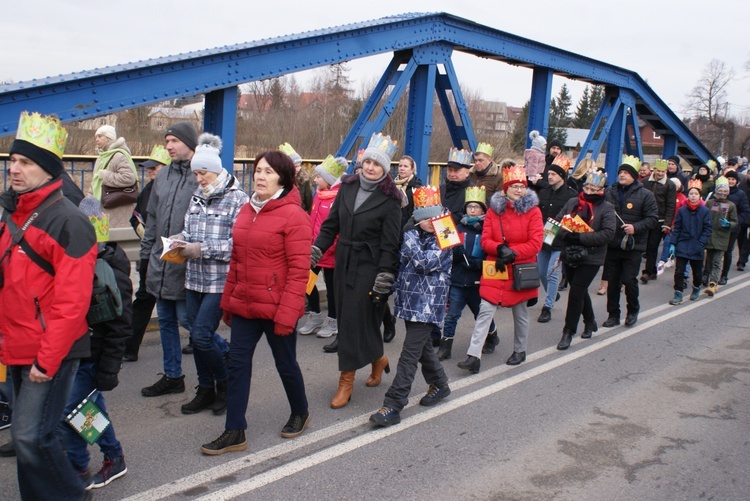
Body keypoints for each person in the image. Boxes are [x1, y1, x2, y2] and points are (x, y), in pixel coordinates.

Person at [0, 112, 97, 500]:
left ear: (47, 170)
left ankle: (74, 495)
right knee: (28, 444)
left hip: (50, 350)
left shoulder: (69, 221)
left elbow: (73, 303)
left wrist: (48, 359)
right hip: (17, 343)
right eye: (12, 160)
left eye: (25, 162)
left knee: (31, 436)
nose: (14, 168)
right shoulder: (12, 213)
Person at [201, 150, 311, 455]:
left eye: (268, 172)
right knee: (237, 366)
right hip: (246, 305)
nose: (260, 176)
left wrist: (288, 315)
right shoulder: (247, 211)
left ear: (284, 179)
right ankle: (234, 430)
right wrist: (228, 302)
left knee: (285, 364)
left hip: (277, 308)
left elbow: (299, 271)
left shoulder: (294, 216)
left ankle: (300, 411)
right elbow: (237, 262)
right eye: (258, 170)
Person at [313, 133, 402, 409]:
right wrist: (315, 252)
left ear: (385, 169)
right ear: (361, 161)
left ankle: (346, 381)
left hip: (369, 265)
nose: (371, 167)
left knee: (351, 321)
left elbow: (391, 243)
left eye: (378, 164)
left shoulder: (391, 200)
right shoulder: (348, 188)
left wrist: (385, 276)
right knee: (357, 320)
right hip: (344, 261)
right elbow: (331, 226)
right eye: (368, 161)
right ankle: (379, 359)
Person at [59, 196, 133, 490]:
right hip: (73, 351)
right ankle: (106, 458)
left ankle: (80, 465)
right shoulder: (74, 264)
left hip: (93, 355)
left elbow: (120, 328)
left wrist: (109, 370)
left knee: (72, 411)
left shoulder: (111, 273)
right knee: (84, 411)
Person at [171, 133, 247, 415]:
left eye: (202, 172)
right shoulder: (196, 197)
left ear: (215, 170)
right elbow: (191, 231)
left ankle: (225, 382)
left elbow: (238, 244)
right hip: (194, 278)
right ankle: (205, 389)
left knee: (202, 335)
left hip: (219, 280)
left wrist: (201, 248)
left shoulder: (237, 199)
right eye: (196, 173)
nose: (199, 178)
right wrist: (180, 239)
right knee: (195, 336)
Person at [370, 187, 452, 427]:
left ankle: (394, 404)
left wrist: (409, 236)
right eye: (422, 217)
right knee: (423, 348)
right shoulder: (415, 233)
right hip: (409, 301)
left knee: (409, 354)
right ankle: (441, 384)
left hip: (428, 305)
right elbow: (403, 267)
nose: (427, 222)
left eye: (432, 216)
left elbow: (422, 263)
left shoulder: (446, 233)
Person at [457, 164, 543, 373]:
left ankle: (520, 350)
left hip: (520, 268)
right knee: (485, 310)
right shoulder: (495, 212)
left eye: (521, 187)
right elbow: (485, 239)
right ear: (505, 188)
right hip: (496, 267)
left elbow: (536, 243)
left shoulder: (533, 212)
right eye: (514, 186)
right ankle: (473, 355)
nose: (518, 190)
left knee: (520, 312)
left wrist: (511, 252)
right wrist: (499, 248)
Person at [140, 121, 200, 397]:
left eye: (174, 140)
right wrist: (146, 252)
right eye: (167, 141)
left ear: (190, 143)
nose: (168, 146)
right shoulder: (162, 177)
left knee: (189, 321)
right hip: (161, 261)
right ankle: (173, 376)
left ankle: (222, 359)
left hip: (188, 264)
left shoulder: (202, 175)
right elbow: (152, 218)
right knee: (165, 320)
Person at [555, 171, 616, 350]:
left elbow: (607, 234)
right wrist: (565, 234)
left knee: (575, 293)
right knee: (579, 291)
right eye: (587, 187)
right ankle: (590, 321)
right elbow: (558, 222)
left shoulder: (606, 208)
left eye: (593, 189)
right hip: (570, 253)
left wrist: (581, 238)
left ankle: (568, 331)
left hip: (591, 257)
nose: (589, 191)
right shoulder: (573, 202)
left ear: (601, 190)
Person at [437, 184, 497, 362]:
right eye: (470, 206)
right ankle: (445, 346)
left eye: (476, 207)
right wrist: (454, 254)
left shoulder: (487, 229)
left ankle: (492, 336)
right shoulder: (457, 228)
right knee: (452, 315)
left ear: (482, 209)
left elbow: (491, 254)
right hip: (457, 279)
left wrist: (478, 264)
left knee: (481, 314)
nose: (472, 210)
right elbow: (446, 247)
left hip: (477, 281)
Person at [124, 145, 170, 361]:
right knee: (144, 299)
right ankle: (130, 347)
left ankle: (197, 341)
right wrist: (143, 231)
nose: (150, 171)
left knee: (179, 304)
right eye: (149, 168)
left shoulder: (172, 191)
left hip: (168, 256)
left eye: (155, 167)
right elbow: (135, 217)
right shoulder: (147, 191)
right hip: (150, 254)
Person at [602, 156, 658, 328]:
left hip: (633, 245)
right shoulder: (609, 192)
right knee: (612, 282)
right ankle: (613, 314)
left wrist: (636, 227)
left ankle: (632, 311)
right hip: (612, 244)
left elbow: (653, 218)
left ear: (634, 176)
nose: (622, 175)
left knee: (628, 280)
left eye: (626, 172)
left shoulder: (646, 195)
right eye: (620, 172)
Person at [298, 156, 347, 338]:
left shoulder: (339, 198)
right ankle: (315, 315)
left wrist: (329, 247)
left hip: (330, 251)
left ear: (329, 179)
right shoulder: (318, 195)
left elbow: (337, 227)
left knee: (332, 288)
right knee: (306, 282)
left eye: (319, 177)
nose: (315, 179)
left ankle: (332, 320)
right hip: (314, 249)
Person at [536, 156, 577, 323]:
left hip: (560, 241)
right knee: (541, 272)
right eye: (548, 174)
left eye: (553, 174)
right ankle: (553, 294)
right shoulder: (543, 192)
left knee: (552, 274)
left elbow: (573, 218)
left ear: (561, 175)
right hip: (543, 239)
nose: (549, 177)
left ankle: (547, 307)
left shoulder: (571, 195)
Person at [668, 180, 712, 304]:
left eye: (695, 194)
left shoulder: (705, 211)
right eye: (691, 194)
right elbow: (677, 228)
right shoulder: (682, 211)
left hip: (697, 245)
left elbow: (708, 229)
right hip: (683, 244)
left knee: (697, 271)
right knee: (679, 271)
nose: (693, 196)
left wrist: (701, 242)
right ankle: (678, 293)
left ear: (700, 196)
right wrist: (673, 243)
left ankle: (696, 288)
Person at [89, 124, 139, 229]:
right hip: (104, 208)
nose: (97, 140)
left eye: (100, 136)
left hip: (116, 208)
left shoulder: (118, 156)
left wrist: (106, 175)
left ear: (109, 138)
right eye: (96, 137)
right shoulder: (102, 157)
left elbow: (129, 178)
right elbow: (95, 183)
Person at [641, 159, 676, 284]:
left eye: (663, 171)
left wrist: (667, 223)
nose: (660, 173)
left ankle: (648, 272)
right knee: (643, 245)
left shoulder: (669, 185)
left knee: (652, 246)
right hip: (645, 218)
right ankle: (652, 272)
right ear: (653, 169)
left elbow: (671, 205)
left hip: (659, 220)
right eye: (658, 170)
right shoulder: (645, 182)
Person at [703, 177, 738, 296]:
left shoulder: (731, 205)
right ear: (716, 192)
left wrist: (729, 224)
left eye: (724, 192)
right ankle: (707, 277)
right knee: (709, 261)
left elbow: (735, 221)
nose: (722, 194)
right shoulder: (710, 203)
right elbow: (704, 217)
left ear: (727, 193)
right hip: (710, 236)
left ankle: (713, 285)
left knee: (717, 262)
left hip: (722, 237)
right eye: (720, 192)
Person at [718, 169, 750, 284]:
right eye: (729, 179)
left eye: (733, 179)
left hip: (732, 228)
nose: (730, 181)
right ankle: (708, 275)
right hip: (718, 227)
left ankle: (724, 275)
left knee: (727, 251)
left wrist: (737, 221)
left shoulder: (740, 194)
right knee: (714, 250)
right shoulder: (719, 191)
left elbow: (745, 211)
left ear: (736, 181)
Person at [279, 142, 313, 213]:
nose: (298, 169)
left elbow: (309, 201)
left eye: (299, 165)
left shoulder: (304, 180)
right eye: (295, 166)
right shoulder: (279, 182)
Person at [394, 155, 423, 230]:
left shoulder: (417, 187)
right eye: (400, 166)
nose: (402, 169)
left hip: (408, 227)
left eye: (406, 166)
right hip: (393, 226)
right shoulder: (393, 185)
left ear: (412, 170)